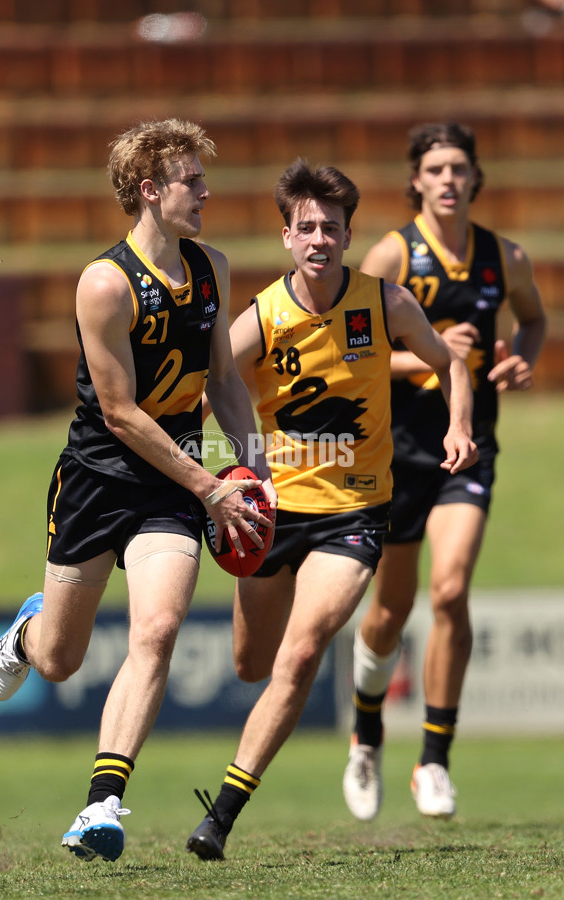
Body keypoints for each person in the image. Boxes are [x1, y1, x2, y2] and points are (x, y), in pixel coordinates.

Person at [0, 118, 275, 863]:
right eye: (191, 181)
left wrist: (254, 467)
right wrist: (212, 484)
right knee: (59, 661)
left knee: (159, 629)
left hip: (170, 490)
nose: (206, 192)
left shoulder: (212, 267)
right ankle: (28, 631)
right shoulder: (105, 284)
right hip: (95, 482)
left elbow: (224, 381)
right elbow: (118, 413)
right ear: (149, 190)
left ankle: (99, 806)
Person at [185, 158, 478, 862]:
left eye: (332, 228)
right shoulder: (263, 316)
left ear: (348, 236)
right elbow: (208, 389)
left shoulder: (383, 302)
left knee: (304, 648)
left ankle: (221, 817)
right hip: (272, 513)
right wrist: (229, 470)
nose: (319, 238)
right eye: (306, 227)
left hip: (353, 513)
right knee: (253, 665)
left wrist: (459, 424)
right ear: (287, 236)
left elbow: (452, 361)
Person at [342, 121, 546, 823]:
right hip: (396, 454)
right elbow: (345, 354)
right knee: (390, 614)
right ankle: (366, 732)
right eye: (436, 168)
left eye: (460, 166)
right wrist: (434, 355)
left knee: (452, 589)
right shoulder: (392, 256)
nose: (449, 178)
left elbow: (535, 320)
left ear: (475, 175)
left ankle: (433, 760)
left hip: (470, 448)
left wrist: (522, 354)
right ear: (417, 180)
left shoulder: (505, 256)